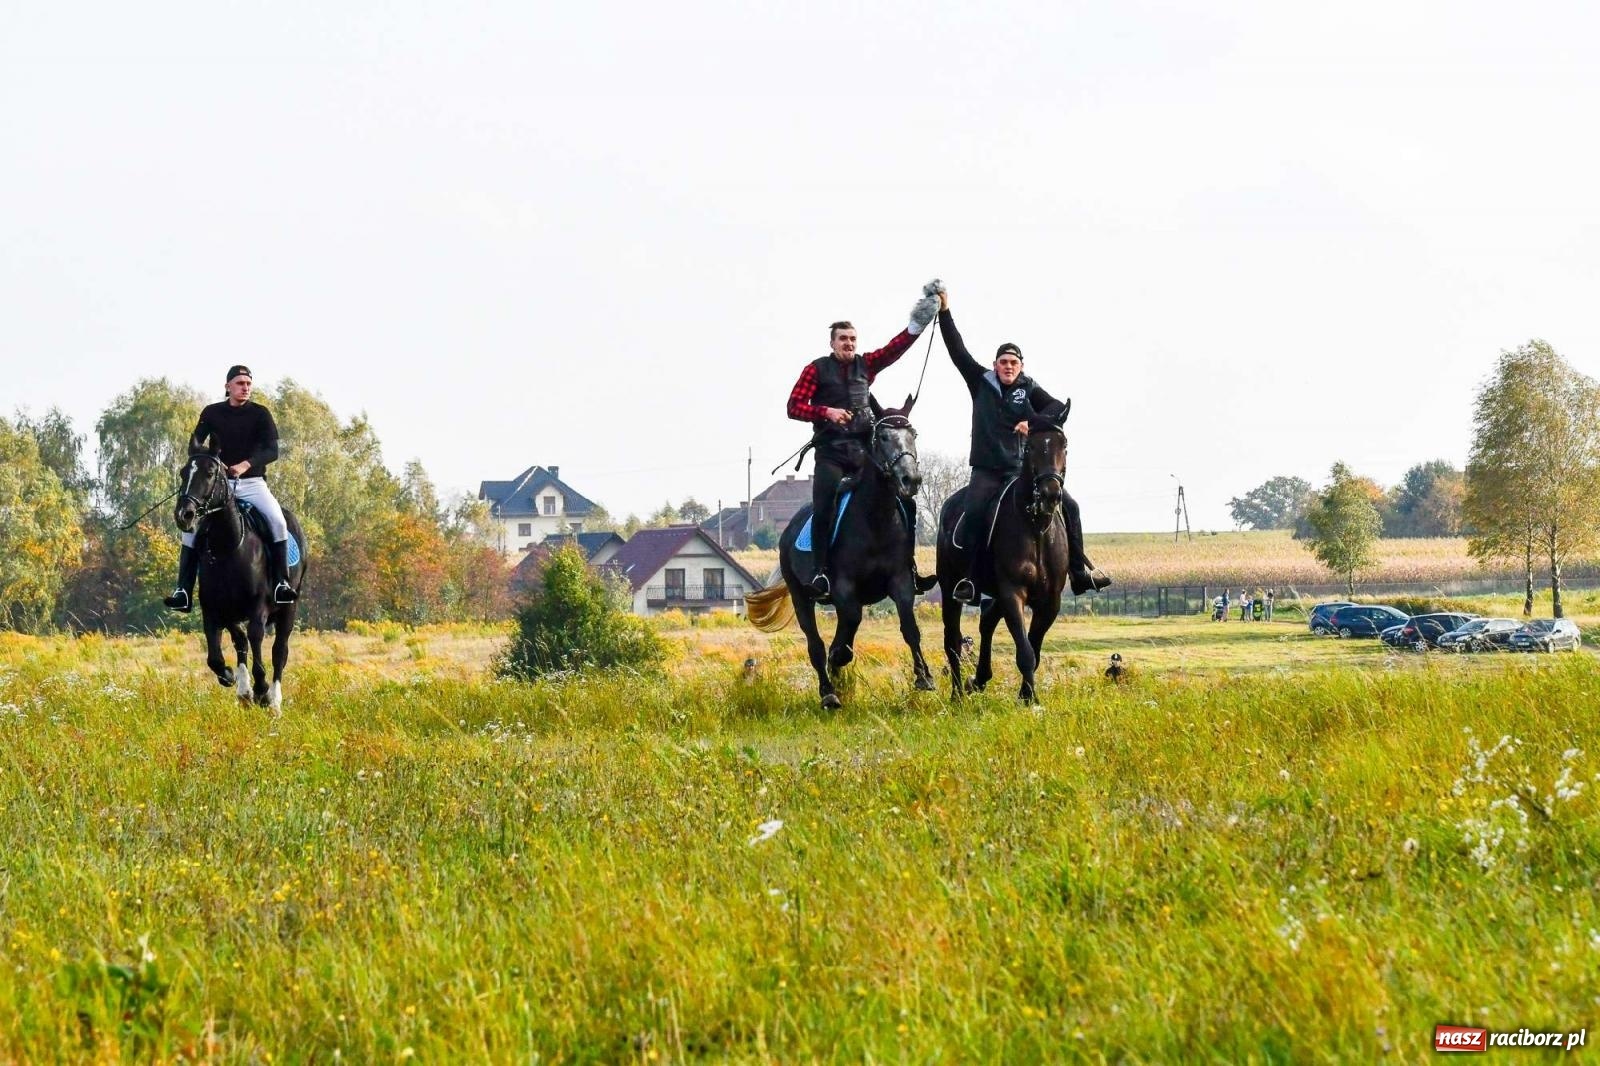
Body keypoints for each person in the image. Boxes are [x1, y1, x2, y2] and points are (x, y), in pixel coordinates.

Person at [937, 287, 1110, 604]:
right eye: (1003, 362)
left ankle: (1079, 573)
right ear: (994, 364)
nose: (1008, 366)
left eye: (1013, 362)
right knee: (973, 512)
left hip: (1021, 472)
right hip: (987, 471)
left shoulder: (1028, 388)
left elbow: (1058, 407)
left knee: (1070, 507)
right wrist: (945, 312)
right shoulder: (980, 382)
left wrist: (1034, 423)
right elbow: (957, 351)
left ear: (1021, 365)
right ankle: (971, 580)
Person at [786, 283, 940, 597]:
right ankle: (820, 573)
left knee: (903, 501)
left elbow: (894, 349)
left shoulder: (866, 366)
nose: (849, 343)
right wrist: (825, 412)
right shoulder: (815, 370)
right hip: (831, 454)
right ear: (832, 343)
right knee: (825, 503)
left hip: (865, 454)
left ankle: (908, 569)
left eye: (853, 339)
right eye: (843, 339)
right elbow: (793, 407)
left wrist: (920, 322)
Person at [164, 365, 298, 611]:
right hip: (217, 487)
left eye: (248, 383)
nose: (245, 388)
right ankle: (182, 591)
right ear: (228, 386)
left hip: (252, 483)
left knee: (278, 522)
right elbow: (195, 445)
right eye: (239, 383)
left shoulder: (261, 414)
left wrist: (244, 465)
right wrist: (213, 463)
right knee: (190, 531)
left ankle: (281, 583)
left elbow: (272, 451)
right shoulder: (211, 412)